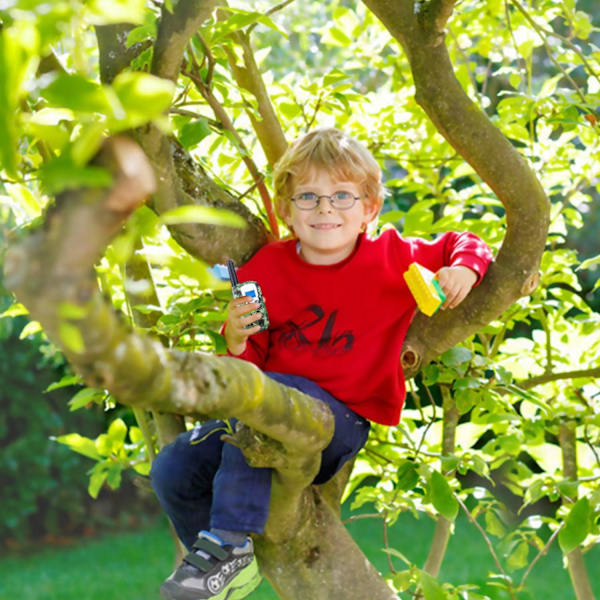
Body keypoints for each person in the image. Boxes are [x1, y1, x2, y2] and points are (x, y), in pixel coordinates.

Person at [151, 128, 494, 600]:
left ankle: (230, 538)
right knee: (174, 467)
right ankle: (225, 565)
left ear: (369, 209)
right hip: (266, 413)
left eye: (342, 196)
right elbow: (251, 364)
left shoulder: (391, 256)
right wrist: (234, 338)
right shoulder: (266, 270)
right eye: (307, 197)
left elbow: (467, 241)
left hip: (338, 422)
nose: (325, 208)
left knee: (271, 402)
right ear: (286, 211)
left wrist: (462, 269)